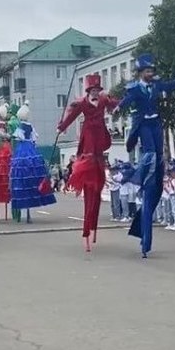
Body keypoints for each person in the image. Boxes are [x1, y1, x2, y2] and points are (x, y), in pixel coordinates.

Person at [115, 53, 175, 257]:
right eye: (148, 71)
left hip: (155, 123)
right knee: (149, 152)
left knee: (158, 153)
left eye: (152, 71)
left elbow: (170, 86)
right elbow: (126, 100)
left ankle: (157, 165)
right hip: (142, 125)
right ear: (141, 72)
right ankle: (144, 170)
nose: (151, 73)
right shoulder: (134, 88)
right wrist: (117, 107)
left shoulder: (157, 85)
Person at [57, 73, 119, 250]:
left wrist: (116, 100)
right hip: (89, 137)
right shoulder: (82, 103)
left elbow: (115, 105)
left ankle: (94, 226)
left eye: (97, 90)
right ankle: (86, 230)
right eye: (92, 90)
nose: (95, 93)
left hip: (100, 137)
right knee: (89, 195)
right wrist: (61, 127)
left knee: (97, 193)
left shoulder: (103, 99)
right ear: (88, 91)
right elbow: (71, 116)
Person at [9, 101, 56, 223]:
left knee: (21, 174)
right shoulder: (31, 126)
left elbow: (18, 138)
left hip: (22, 149)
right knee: (35, 175)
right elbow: (34, 139)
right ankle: (31, 207)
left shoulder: (20, 127)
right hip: (31, 149)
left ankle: (25, 209)